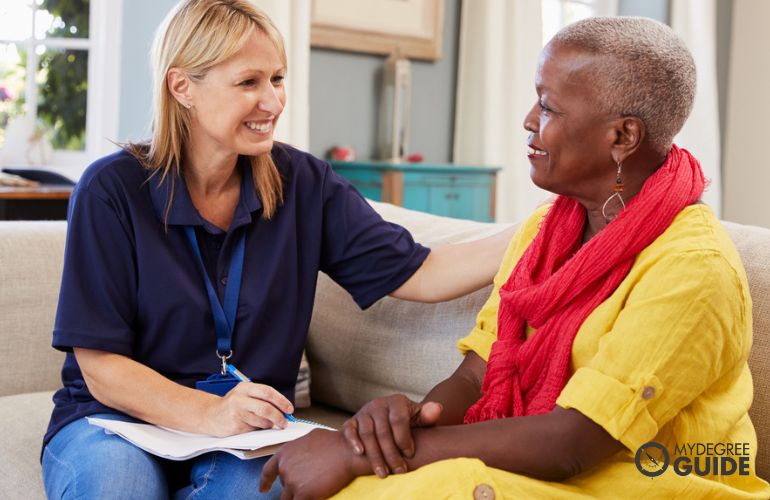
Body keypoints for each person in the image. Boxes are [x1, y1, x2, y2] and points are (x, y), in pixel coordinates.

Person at [259, 17, 770, 499]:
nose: (528, 121)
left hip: (654, 482)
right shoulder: (545, 229)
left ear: (622, 137)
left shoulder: (694, 270)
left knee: (426, 487)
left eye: (548, 108)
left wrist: (360, 457)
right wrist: (409, 424)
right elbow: (475, 377)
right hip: (564, 471)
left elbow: (573, 442)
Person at [40, 1, 516, 498]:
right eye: (249, 83)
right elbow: (100, 365)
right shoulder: (110, 189)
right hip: (117, 423)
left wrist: (546, 224)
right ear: (182, 87)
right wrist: (211, 413)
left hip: (247, 437)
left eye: (278, 79)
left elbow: (424, 272)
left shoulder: (305, 184)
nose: (272, 101)